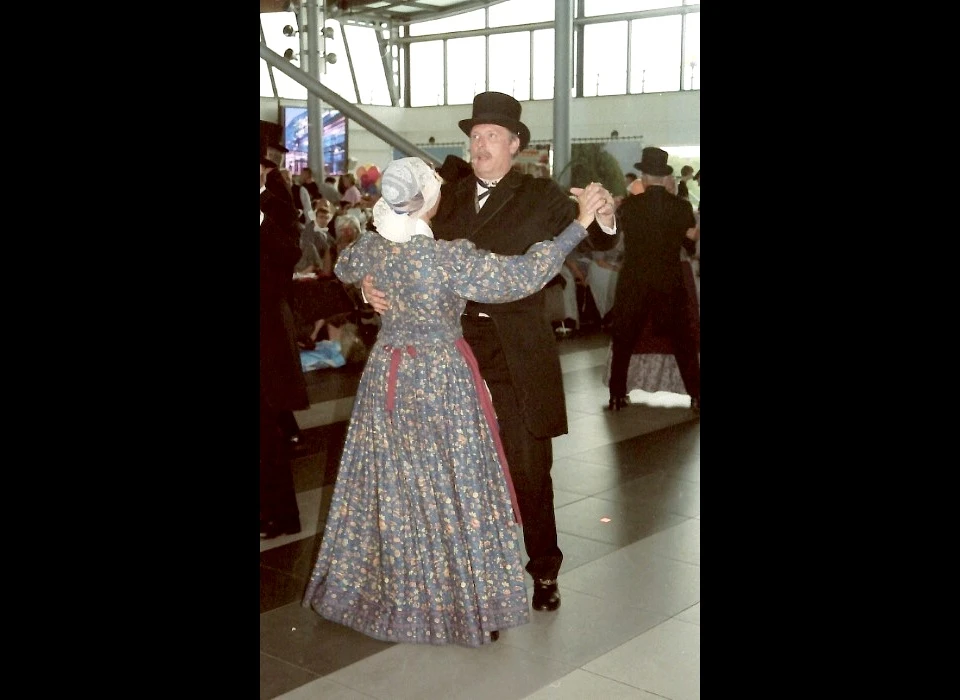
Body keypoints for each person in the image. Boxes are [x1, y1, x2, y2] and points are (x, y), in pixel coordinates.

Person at [303, 156, 608, 647]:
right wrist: (578, 227)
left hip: (388, 376)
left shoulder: (375, 248)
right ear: (429, 200)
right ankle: (461, 598)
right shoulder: (445, 258)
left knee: (396, 483)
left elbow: (343, 263)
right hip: (440, 376)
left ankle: (399, 591)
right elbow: (524, 276)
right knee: (457, 482)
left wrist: (364, 284)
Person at [361, 92, 620, 612]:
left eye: (492, 136)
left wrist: (606, 216)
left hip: (517, 349)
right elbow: (386, 242)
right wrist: (368, 283)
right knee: (458, 470)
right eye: (475, 136)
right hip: (450, 351)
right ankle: (477, 579)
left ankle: (543, 569)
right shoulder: (443, 194)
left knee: (528, 465)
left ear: (515, 144)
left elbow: (600, 245)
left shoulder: (541, 195)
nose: (480, 144)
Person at [607, 146, 700, 413]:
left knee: (625, 339)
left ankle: (616, 395)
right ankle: (696, 395)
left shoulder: (629, 206)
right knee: (683, 340)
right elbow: (690, 241)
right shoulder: (681, 206)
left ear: (644, 176)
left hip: (634, 279)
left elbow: (619, 238)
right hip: (669, 280)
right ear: (665, 176)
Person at [260, 157, 311, 539]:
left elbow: (289, 255)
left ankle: (281, 515)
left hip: (266, 328)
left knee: (266, 427)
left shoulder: (277, 206)